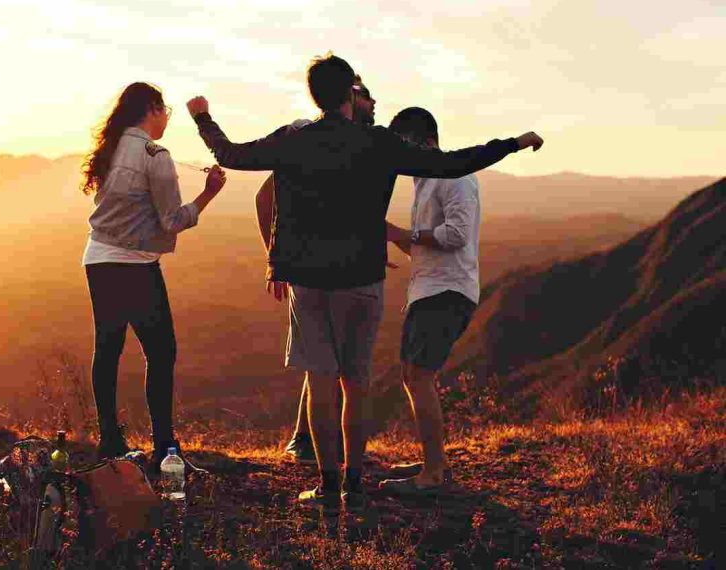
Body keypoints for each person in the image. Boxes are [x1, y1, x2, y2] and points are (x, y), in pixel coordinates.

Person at [187, 54, 543, 514]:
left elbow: (232, 155)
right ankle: (355, 485)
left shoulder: (294, 140)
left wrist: (202, 117)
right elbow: (454, 163)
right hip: (362, 279)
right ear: (350, 95)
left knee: (321, 383)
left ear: (314, 94)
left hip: (309, 281)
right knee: (356, 384)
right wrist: (513, 143)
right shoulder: (378, 143)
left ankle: (328, 487)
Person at [81, 82, 227, 472]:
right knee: (161, 352)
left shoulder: (111, 148)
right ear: (153, 109)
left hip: (97, 258)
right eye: (165, 112)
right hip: (135, 265)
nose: (166, 120)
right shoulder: (155, 154)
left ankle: (111, 442)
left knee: (108, 349)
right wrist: (209, 193)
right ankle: (165, 449)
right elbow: (172, 220)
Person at [254, 75, 377, 464]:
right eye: (366, 95)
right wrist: (276, 259)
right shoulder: (309, 138)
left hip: (340, 266)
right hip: (311, 269)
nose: (374, 103)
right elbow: (265, 196)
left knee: (329, 363)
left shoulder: (357, 144)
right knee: (325, 364)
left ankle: (316, 447)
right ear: (349, 98)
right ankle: (309, 444)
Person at [377, 107, 489, 494]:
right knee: (413, 375)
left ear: (424, 142)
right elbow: (428, 243)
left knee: (419, 376)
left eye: (402, 145)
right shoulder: (424, 181)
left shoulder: (454, 175)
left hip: (447, 290)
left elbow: (456, 234)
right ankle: (434, 460)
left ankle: (433, 474)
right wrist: (395, 238)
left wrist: (402, 231)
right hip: (429, 288)